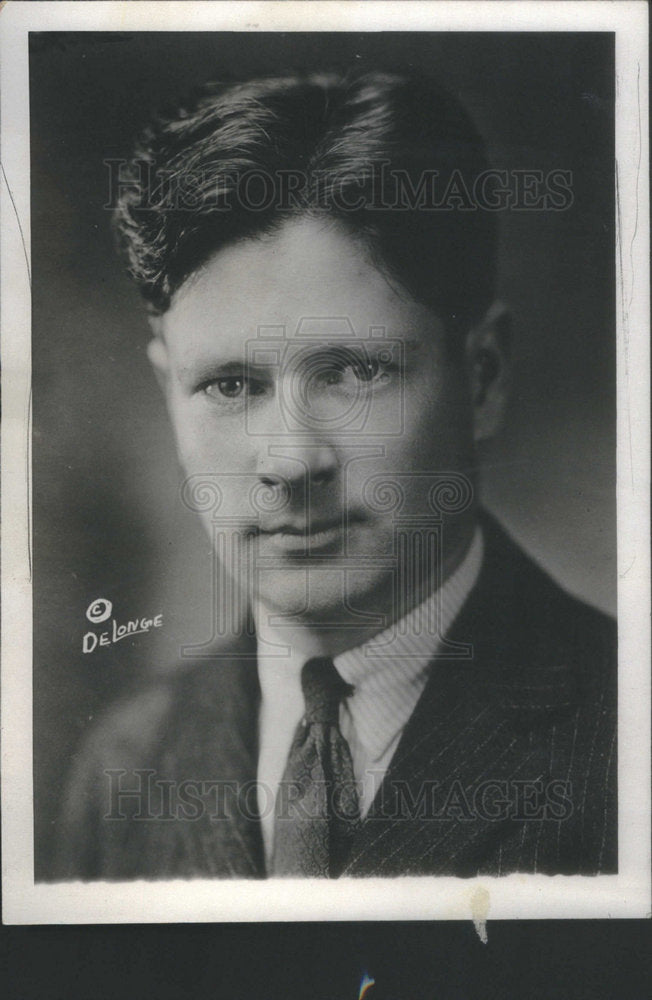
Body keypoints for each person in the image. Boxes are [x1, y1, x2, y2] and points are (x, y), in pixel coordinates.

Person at [55, 70, 616, 880]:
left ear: (483, 378)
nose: (291, 460)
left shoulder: (625, 739)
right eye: (230, 385)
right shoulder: (121, 769)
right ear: (167, 393)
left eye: (354, 373)